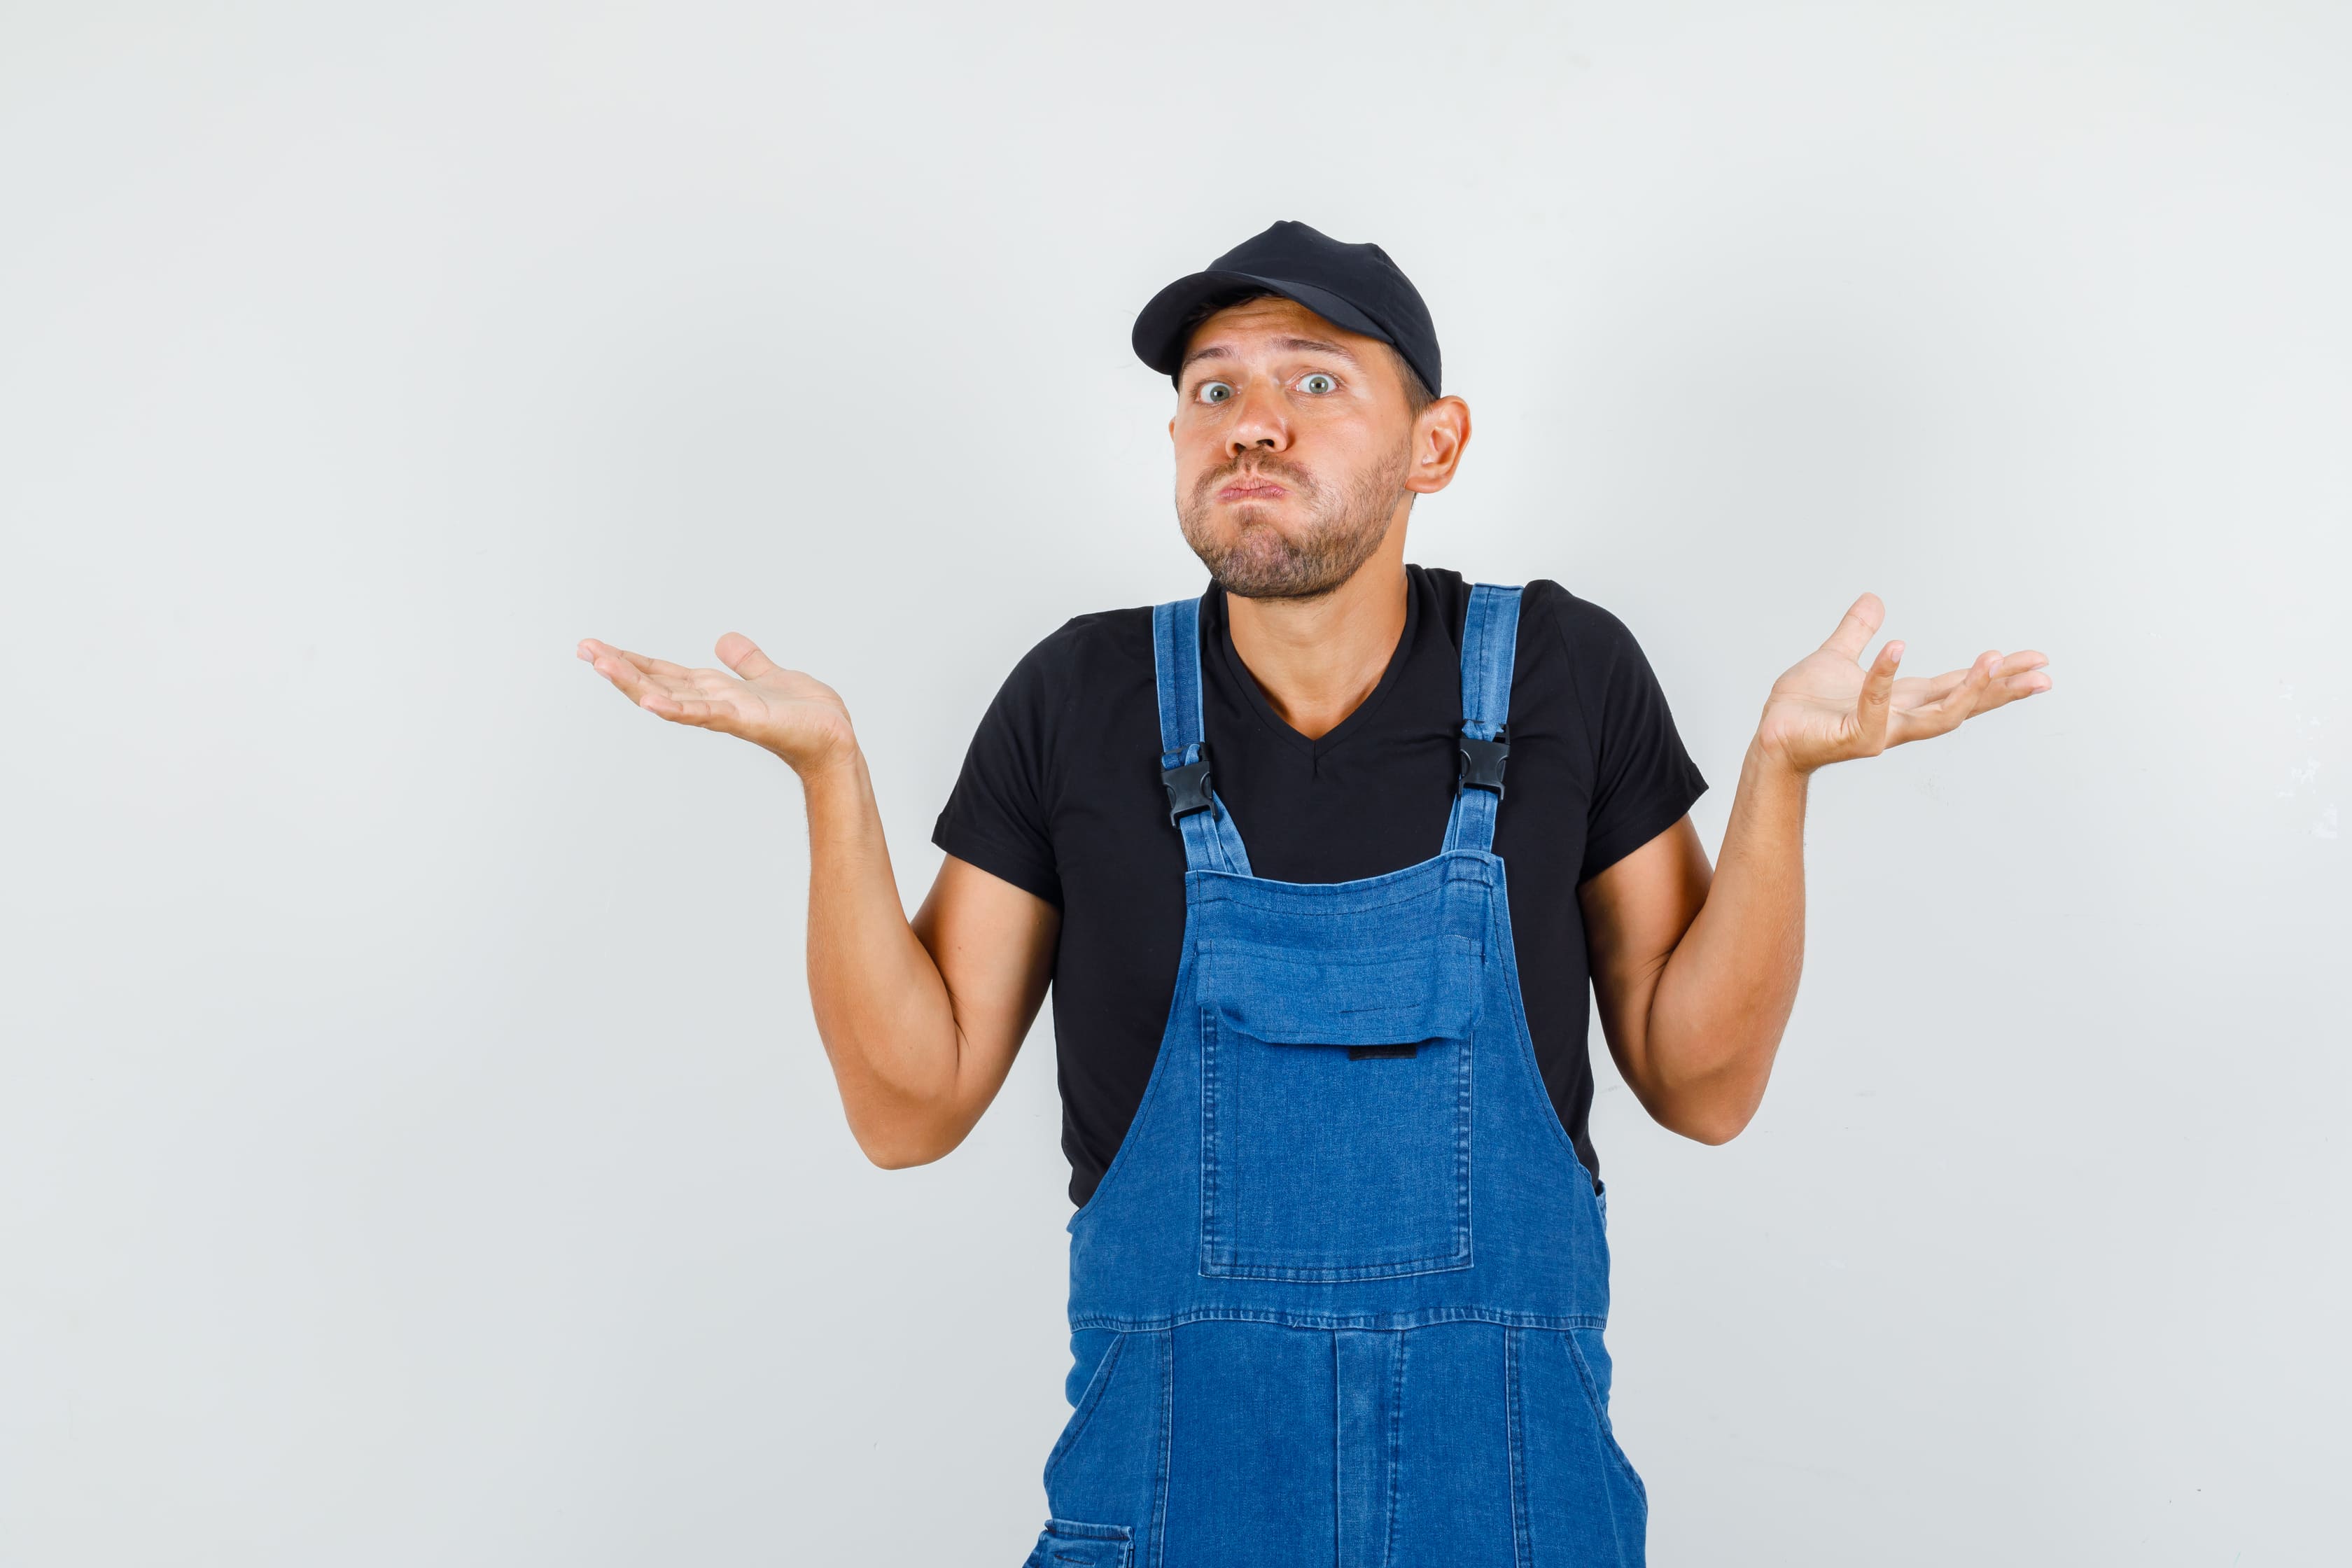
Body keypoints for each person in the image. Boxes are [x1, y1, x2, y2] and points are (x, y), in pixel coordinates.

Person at [578, 220, 2051, 1567]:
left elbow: (1703, 1084)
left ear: (1436, 443)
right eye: (1213, 391)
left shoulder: (1563, 674)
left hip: (1517, 1526)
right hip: (1167, 1525)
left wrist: (1781, 782)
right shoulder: (1077, 696)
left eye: (1316, 381)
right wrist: (831, 776)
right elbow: (910, 1109)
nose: (1254, 423)